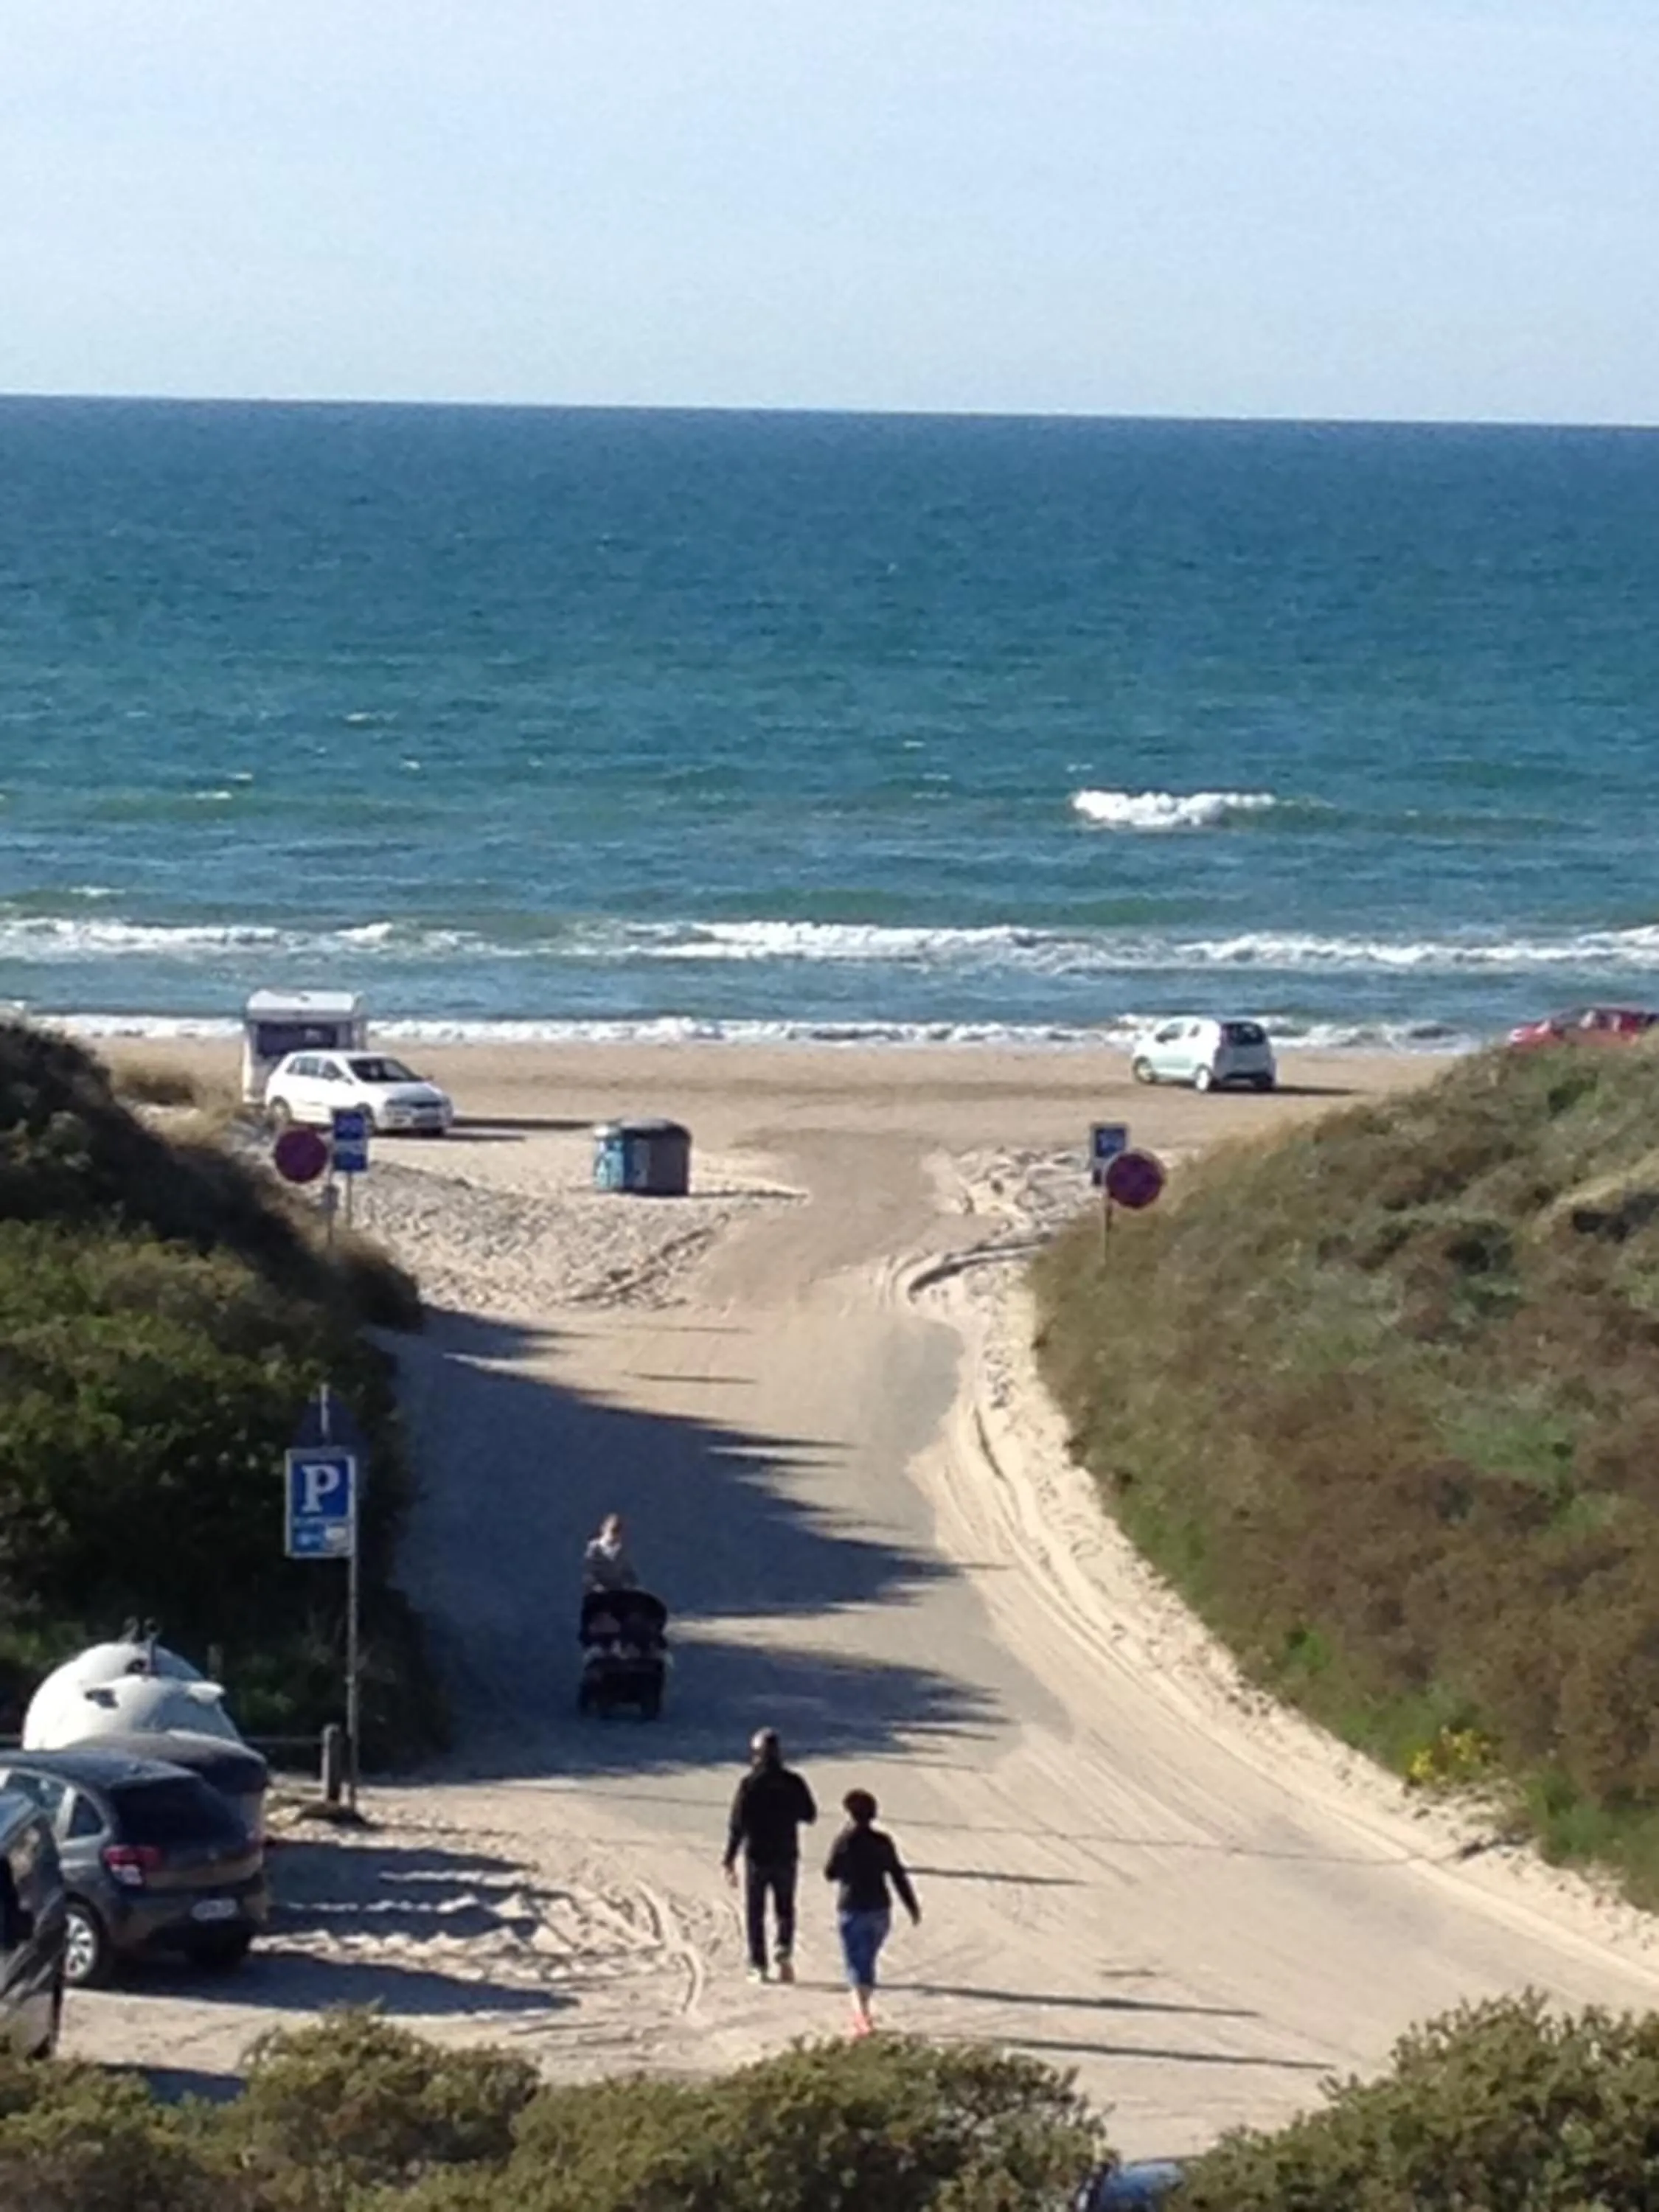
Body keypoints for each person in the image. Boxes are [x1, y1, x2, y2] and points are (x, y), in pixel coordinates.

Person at [722, 1728, 817, 1984]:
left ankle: (758, 1964)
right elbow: (810, 1814)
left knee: (756, 1911)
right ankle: (783, 1947)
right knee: (785, 1907)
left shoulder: (749, 1784)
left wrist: (729, 1858)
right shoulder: (794, 1782)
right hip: (786, 1853)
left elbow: (737, 1824)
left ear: (756, 1754)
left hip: (757, 1856)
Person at [824, 1787, 920, 2037]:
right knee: (867, 1958)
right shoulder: (882, 1842)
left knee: (856, 1963)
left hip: (852, 1906)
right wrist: (911, 1905)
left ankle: (862, 2015)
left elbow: (829, 1873)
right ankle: (863, 2008)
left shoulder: (845, 1841)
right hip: (880, 1907)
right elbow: (897, 1874)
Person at [582, 1513, 639, 1596]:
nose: (615, 1536)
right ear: (604, 1529)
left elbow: (628, 1572)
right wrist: (599, 1589)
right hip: (598, 1595)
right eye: (613, 1531)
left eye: (618, 1532)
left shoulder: (620, 1552)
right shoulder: (594, 1550)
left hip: (617, 1593)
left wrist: (635, 1586)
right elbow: (589, 1575)